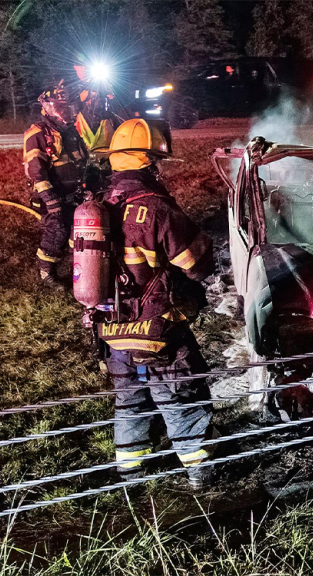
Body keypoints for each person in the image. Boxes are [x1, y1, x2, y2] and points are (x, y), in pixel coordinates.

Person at [99, 118, 216, 489]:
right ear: (149, 163)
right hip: (158, 332)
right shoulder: (156, 210)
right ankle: (200, 476)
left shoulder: (95, 210)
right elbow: (197, 266)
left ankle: (130, 475)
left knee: (129, 401)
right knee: (182, 397)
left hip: (113, 332)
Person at [23, 80, 88, 287]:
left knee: (77, 228)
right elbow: (37, 172)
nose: (66, 112)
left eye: (68, 107)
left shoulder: (71, 132)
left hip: (74, 193)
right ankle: (45, 271)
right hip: (51, 196)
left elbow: (82, 162)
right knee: (57, 229)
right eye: (61, 107)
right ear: (48, 108)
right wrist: (51, 201)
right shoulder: (37, 134)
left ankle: (76, 262)